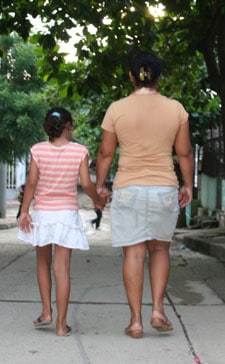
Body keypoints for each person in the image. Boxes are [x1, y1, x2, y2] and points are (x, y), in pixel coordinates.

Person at [96, 51, 194, 338]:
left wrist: (100, 185)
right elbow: (184, 152)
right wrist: (187, 184)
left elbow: (105, 152)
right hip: (164, 187)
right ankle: (158, 310)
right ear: (159, 78)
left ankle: (136, 321)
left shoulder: (116, 109)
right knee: (160, 249)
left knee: (134, 253)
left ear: (130, 76)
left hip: (128, 189)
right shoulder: (176, 109)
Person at [18, 107, 108, 337]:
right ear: (68, 127)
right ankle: (61, 324)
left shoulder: (38, 150)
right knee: (62, 269)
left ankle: (47, 311)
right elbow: (87, 184)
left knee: (42, 262)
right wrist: (98, 200)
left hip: (43, 214)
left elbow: (31, 183)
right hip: (66, 215)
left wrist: (25, 211)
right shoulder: (79, 151)